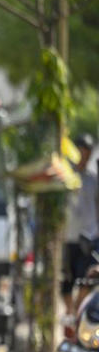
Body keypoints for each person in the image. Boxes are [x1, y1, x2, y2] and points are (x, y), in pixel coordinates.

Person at [63, 134, 98, 319]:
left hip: (90, 236)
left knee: (89, 277)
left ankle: (76, 312)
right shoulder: (64, 177)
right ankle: (69, 313)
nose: (84, 157)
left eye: (87, 154)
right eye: (81, 153)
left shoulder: (93, 179)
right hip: (68, 237)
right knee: (66, 281)